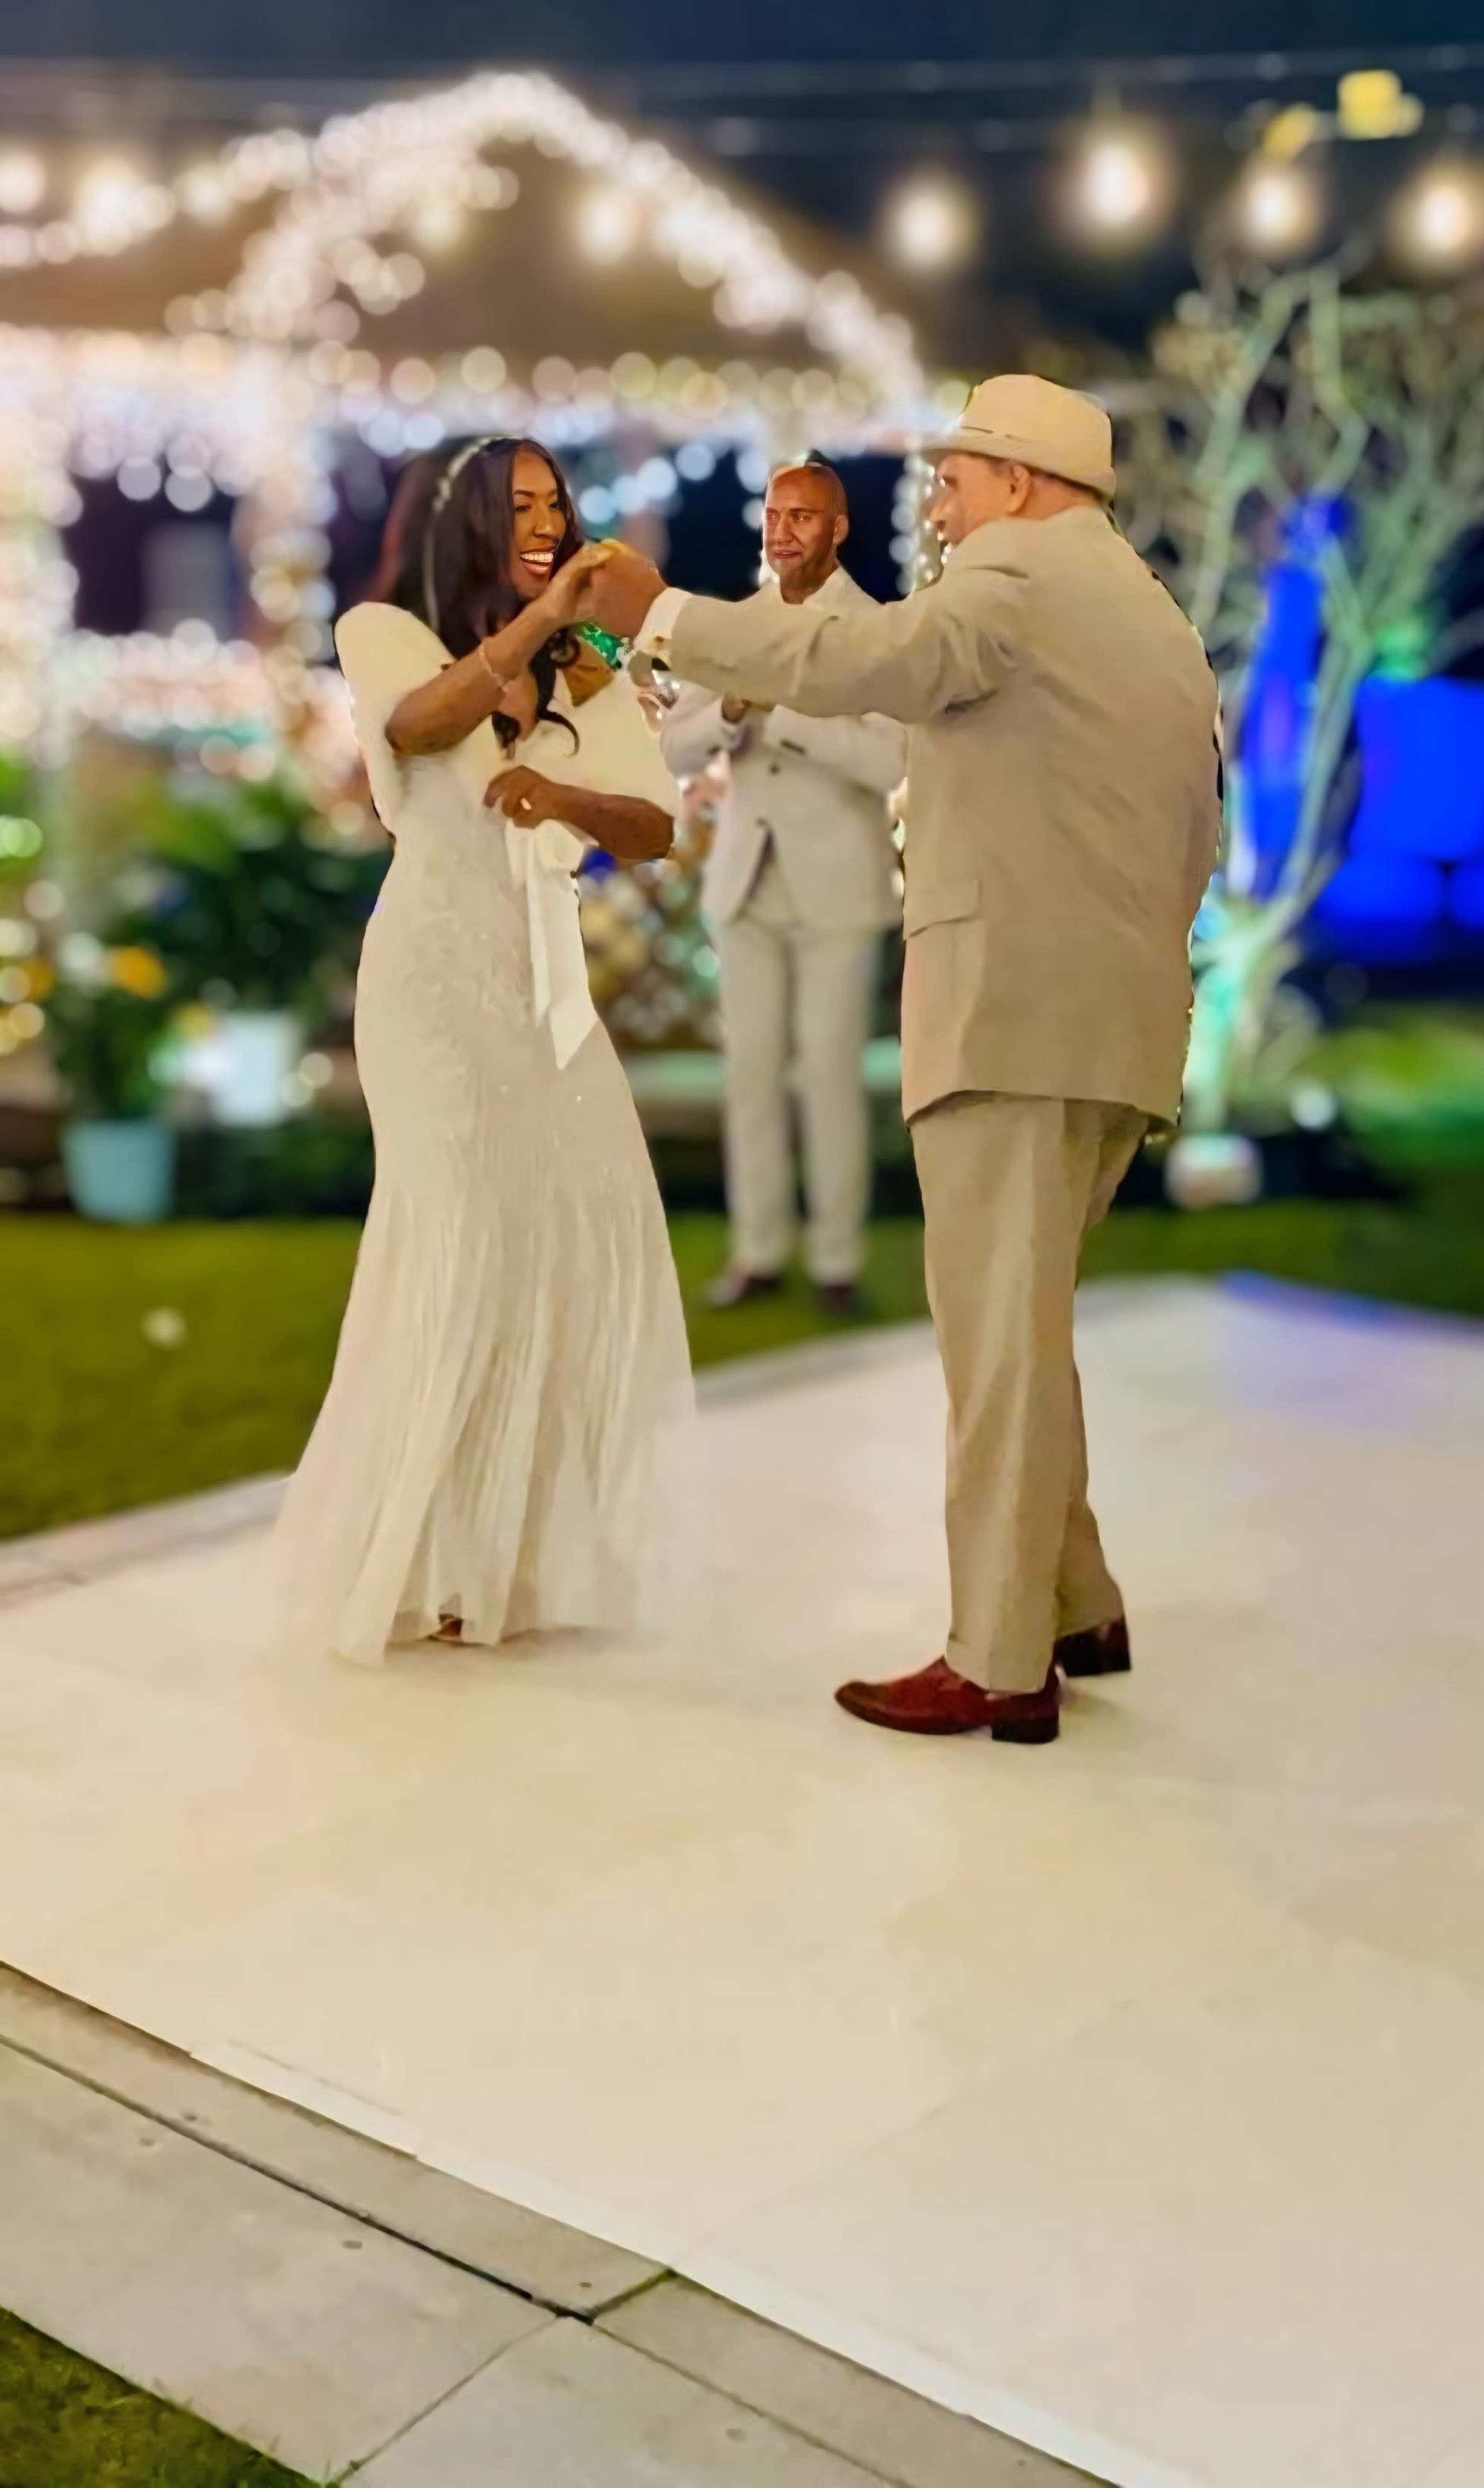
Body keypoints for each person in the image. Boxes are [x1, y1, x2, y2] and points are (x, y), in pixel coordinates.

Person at [577, 377, 1223, 1745]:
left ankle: (996, 1657)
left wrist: (665, 615)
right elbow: (1196, 839)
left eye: (960, 475)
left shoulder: (1013, 582)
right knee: (1025, 1322)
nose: (940, 500)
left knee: (996, 1339)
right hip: (1108, 1015)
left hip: (1011, 1009)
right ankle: (1072, 1599)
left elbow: (858, 664)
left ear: (1025, 481)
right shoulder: (1148, 612)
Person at [272, 437, 691, 1665]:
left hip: (542, 985)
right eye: (519, 507)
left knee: (566, 1234)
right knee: (454, 1239)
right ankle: (413, 1560)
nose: (546, 523)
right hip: (431, 981)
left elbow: (655, 823)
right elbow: (418, 724)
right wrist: (534, 627)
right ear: (461, 520)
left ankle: (502, 1562)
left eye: (557, 505)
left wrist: (567, 782)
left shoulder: (591, 666)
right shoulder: (380, 626)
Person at [657, 460, 905, 1316]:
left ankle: (837, 1260)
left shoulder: (876, 630)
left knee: (831, 1079)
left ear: (838, 530)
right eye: (775, 513)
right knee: (751, 1077)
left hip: (839, 884)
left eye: (804, 516)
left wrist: (787, 717)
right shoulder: (734, 625)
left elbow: (894, 760)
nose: (785, 529)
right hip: (746, 882)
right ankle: (757, 1251)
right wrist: (726, 714)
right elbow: (671, 750)